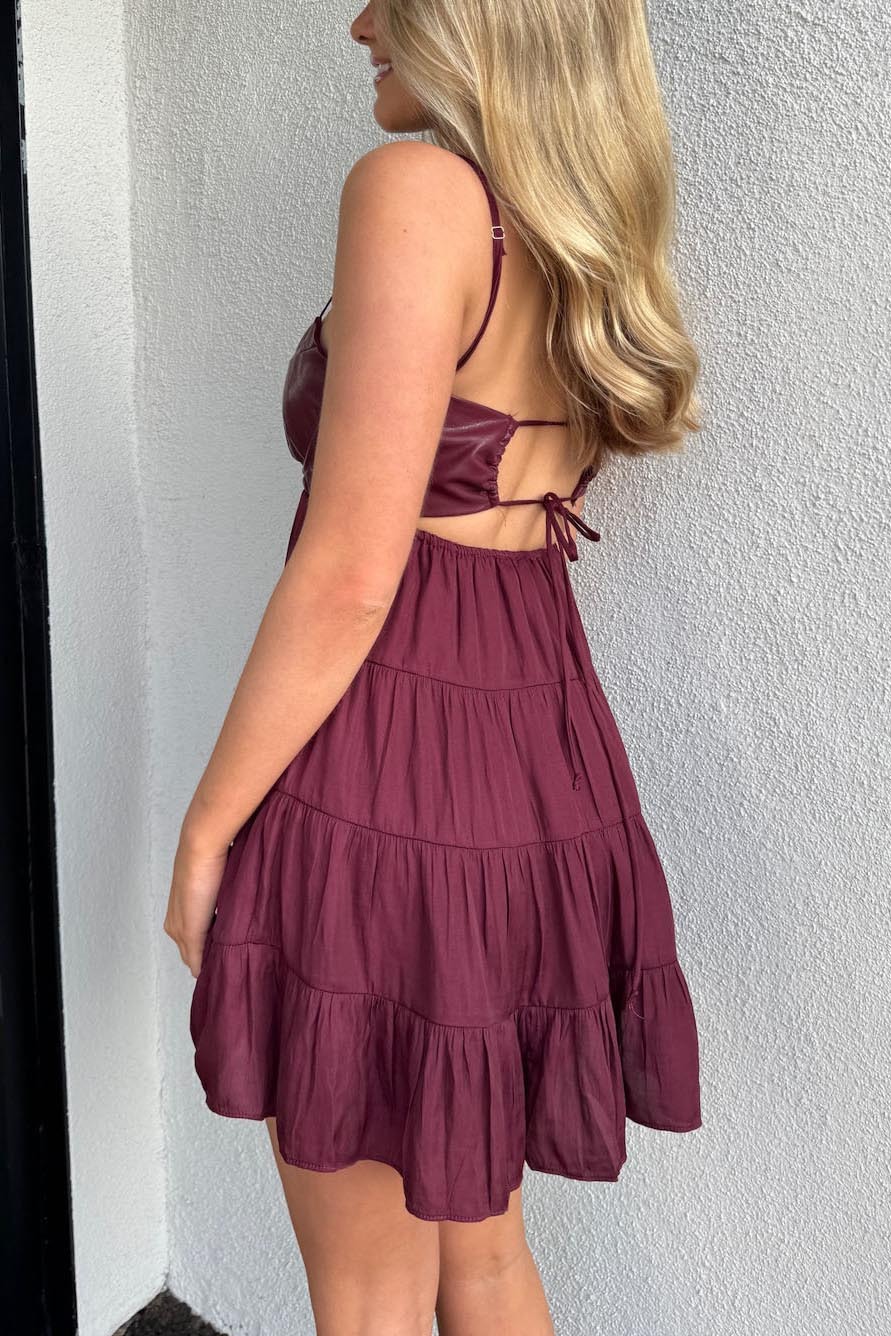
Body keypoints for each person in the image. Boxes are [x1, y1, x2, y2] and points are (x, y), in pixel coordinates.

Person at [164, 1, 703, 1331]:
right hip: (538, 766)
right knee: (485, 1257)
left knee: (369, 1297)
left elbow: (352, 577)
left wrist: (207, 831)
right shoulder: (570, 224)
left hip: (383, 770)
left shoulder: (416, 193)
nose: (360, 22)